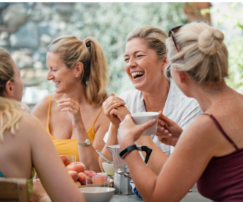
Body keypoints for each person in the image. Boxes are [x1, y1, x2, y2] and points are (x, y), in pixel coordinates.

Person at [113, 22, 243, 201]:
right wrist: (183, 139)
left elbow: (158, 197)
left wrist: (129, 143)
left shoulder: (208, 124)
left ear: (180, 73)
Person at [100, 25, 202, 174]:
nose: (131, 64)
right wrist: (116, 126)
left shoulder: (190, 105)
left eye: (139, 56)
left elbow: (175, 176)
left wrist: (131, 125)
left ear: (164, 61)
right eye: (126, 59)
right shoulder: (126, 100)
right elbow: (106, 167)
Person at [0, 48, 84, 202]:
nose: (48, 76)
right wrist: (40, 196)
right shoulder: (25, 125)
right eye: (18, 75)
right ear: (10, 87)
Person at [32, 36, 110, 172]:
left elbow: (96, 171)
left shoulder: (103, 112)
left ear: (77, 69)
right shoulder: (46, 105)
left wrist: (79, 125)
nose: (48, 77)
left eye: (54, 70)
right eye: (48, 69)